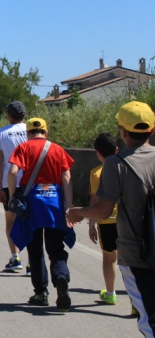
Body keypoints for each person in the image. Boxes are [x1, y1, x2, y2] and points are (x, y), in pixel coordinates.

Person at [68, 101, 155, 336]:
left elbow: (103, 210)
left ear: (123, 132)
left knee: (149, 319)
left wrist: (78, 212)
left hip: (136, 254)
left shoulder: (117, 164)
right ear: (152, 130)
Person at [8, 117, 75, 312]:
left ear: (28, 133)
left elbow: (12, 172)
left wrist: (13, 197)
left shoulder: (23, 148)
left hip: (32, 204)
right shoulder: (57, 149)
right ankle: (61, 277)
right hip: (54, 202)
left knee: (35, 249)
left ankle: (41, 293)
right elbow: (67, 177)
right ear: (46, 132)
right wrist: (68, 207)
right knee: (55, 248)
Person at [0, 101, 28, 272]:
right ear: (24, 115)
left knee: (11, 221)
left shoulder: (1, 134)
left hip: (9, 182)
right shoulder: (32, 131)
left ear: (8, 115)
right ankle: (33, 261)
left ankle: (16, 257)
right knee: (31, 221)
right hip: (30, 182)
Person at [85, 132, 120, 306]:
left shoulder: (96, 173)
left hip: (106, 220)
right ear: (117, 149)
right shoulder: (125, 167)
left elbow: (94, 200)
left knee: (109, 258)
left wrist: (91, 225)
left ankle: (111, 293)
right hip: (127, 220)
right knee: (131, 260)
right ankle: (136, 300)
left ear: (98, 153)